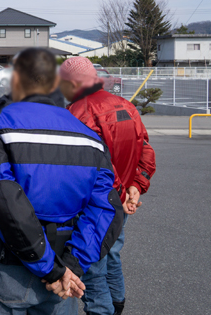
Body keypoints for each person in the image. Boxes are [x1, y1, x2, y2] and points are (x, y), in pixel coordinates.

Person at [0, 48, 124, 315]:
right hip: (65, 274)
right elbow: (107, 207)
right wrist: (72, 266)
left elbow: (4, 199)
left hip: (10, 267)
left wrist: (51, 269)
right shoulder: (88, 135)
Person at [59, 57, 157, 315]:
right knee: (112, 252)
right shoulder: (126, 106)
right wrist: (136, 185)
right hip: (123, 201)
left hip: (100, 203)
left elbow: (94, 164)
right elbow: (145, 150)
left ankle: (103, 310)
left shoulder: (80, 111)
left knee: (93, 266)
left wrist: (121, 193)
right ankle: (118, 303)